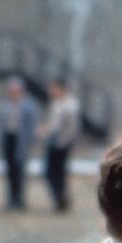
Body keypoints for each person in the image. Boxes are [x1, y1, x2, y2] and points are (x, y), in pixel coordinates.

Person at [0, 76, 40, 210]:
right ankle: (11, 199)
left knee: (20, 172)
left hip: (20, 141)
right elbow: (1, 125)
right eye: (11, 90)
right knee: (9, 171)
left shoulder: (28, 106)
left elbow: (32, 126)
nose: (13, 93)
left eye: (16, 90)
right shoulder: (5, 105)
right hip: (8, 139)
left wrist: (29, 142)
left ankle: (20, 200)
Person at [43, 78, 79, 212]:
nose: (51, 91)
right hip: (53, 142)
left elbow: (72, 127)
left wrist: (65, 142)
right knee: (50, 172)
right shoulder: (56, 104)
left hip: (63, 143)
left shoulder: (71, 105)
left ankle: (61, 199)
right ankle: (59, 198)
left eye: (54, 88)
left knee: (59, 173)